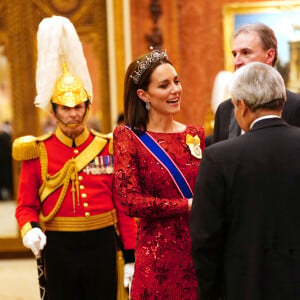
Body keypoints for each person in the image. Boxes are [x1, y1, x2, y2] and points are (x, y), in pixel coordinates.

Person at [13, 16, 137, 300]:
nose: (73, 114)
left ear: (87, 107)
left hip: (101, 242)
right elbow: (25, 206)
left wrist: (130, 254)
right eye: (65, 109)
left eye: (78, 107)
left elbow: (123, 207)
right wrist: (30, 229)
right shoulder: (37, 150)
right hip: (58, 244)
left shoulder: (107, 146)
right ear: (53, 111)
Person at [190, 61, 300, 300]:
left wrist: (209, 292)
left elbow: (205, 240)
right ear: (282, 100)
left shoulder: (219, 158)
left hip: (244, 286)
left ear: (241, 106)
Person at [113, 48, 205, 299]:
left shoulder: (195, 134)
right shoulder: (128, 137)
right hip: (157, 259)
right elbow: (130, 201)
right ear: (143, 94)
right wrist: (186, 205)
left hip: (199, 253)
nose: (175, 90)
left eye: (176, 81)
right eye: (164, 85)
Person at [213, 23, 300, 143]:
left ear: (269, 56)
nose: (237, 61)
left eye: (246, 52)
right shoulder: (224, 110)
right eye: (235, 54)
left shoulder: (296, 106)